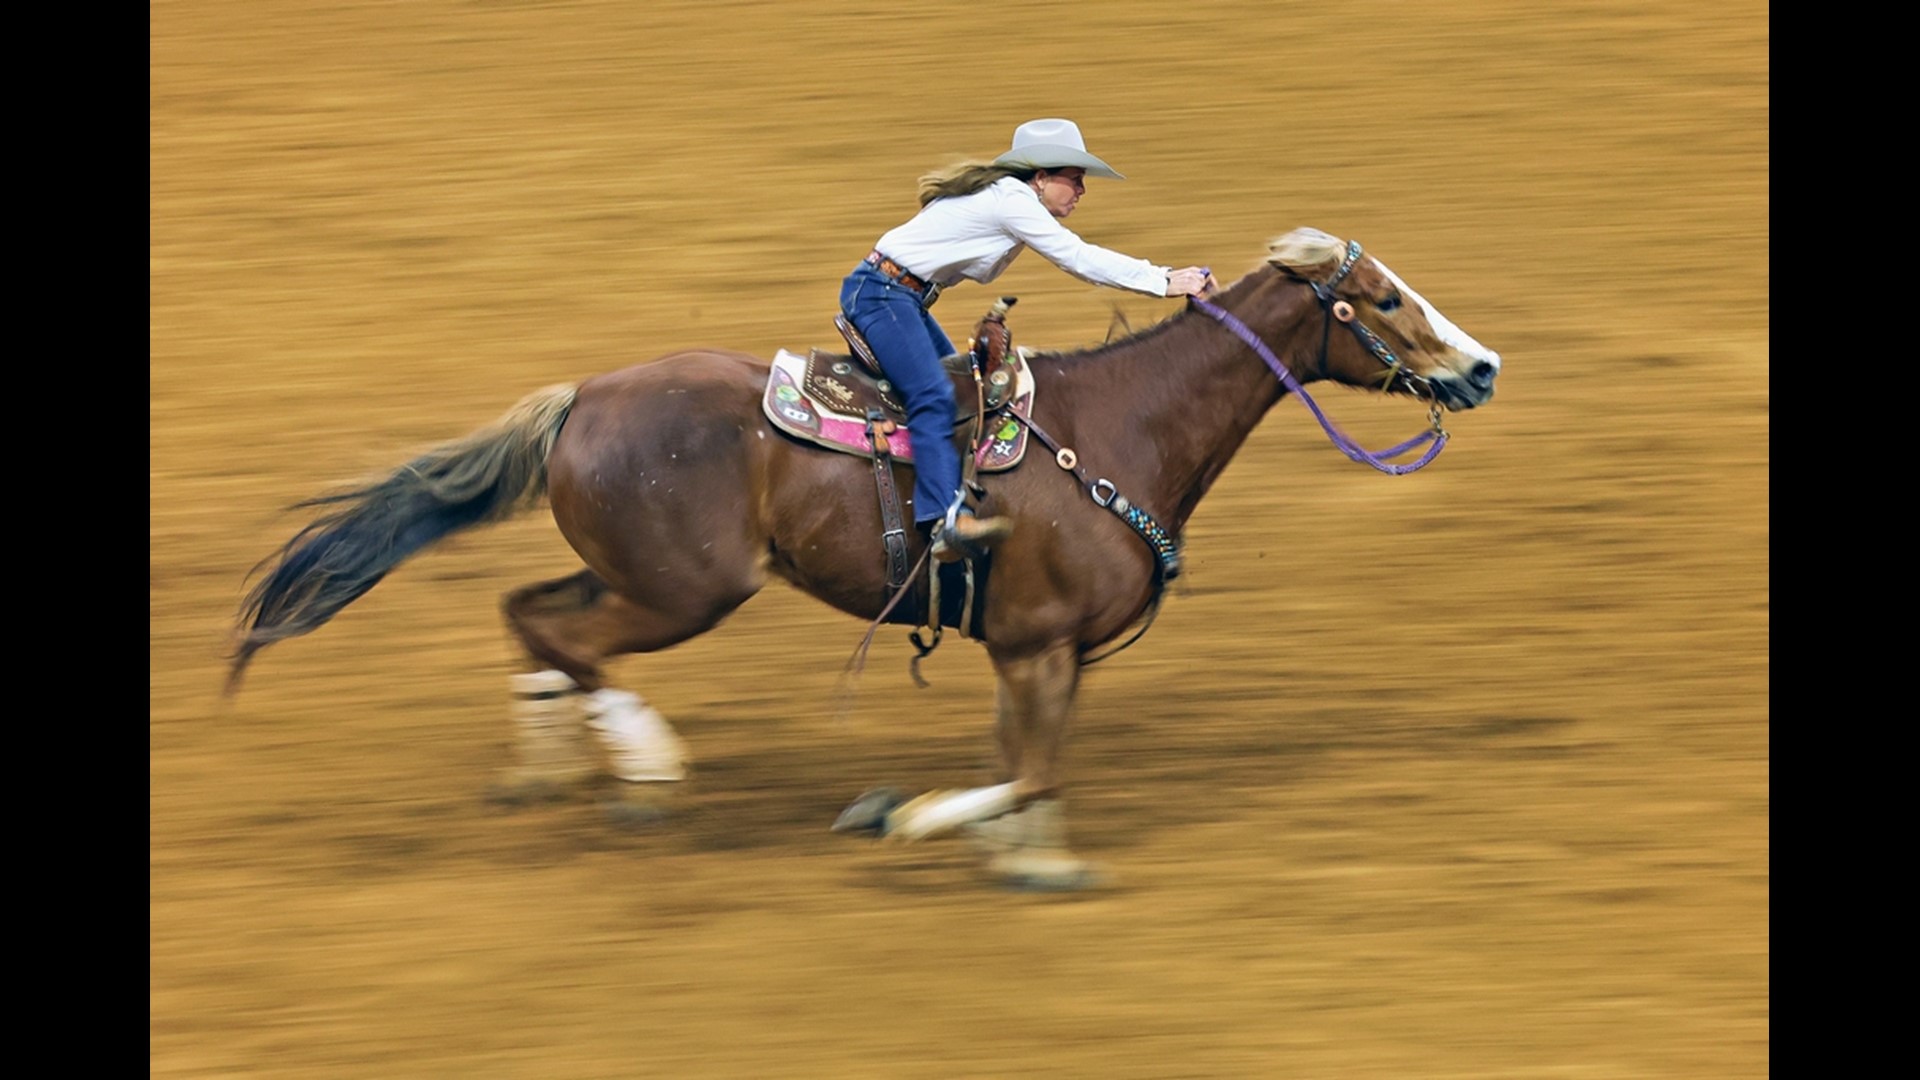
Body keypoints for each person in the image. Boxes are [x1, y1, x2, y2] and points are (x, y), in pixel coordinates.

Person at [841, 117, 1217, 563]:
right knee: (934, 396)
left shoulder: (1009, 198)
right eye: (1074, 180)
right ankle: (943, 519)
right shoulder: (1012, 201)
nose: (1081, 191)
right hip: (884, 296)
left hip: (898, 296)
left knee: (968, 397)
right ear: (1040, 177)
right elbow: (1077, 258)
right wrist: (1165, 280)